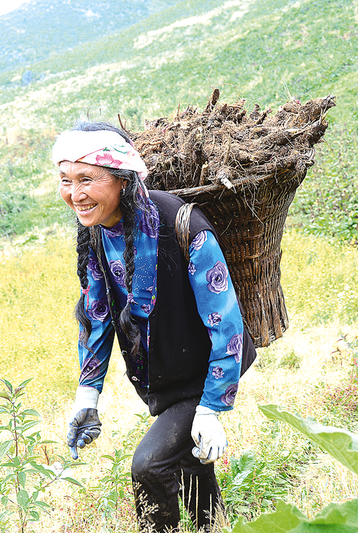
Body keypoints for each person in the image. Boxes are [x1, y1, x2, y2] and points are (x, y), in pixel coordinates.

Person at [53, 120, 256, 533]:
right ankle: (211, 526)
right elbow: (96, 316)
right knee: (190, 463)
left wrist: (212, 405)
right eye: (65, 180)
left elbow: (226, 322)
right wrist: (86, 395)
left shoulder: (182, 225)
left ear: (122, 180)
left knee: (149, 465)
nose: (75, 194)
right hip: (160, 376)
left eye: (87, 178)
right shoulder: (96, 233)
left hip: (204, 371)